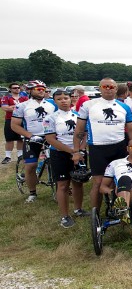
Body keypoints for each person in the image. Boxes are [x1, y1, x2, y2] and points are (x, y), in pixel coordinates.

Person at [72, 78, 132, 214]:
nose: (108, 89)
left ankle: (118, 207)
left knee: (119, 180)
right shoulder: (88, 105)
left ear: (116, 89)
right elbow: (79, 130)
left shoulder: (124, 107)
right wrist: (76, 151)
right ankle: (95, 213)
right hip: (98, 148)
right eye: (105, 86)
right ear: (100, 88)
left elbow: (131, 130)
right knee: (98, 183)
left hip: (119, 147)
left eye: (111, 87)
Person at [43, 89, 87, 226]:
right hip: (60, 153)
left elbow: (85, 134)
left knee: (78, 182)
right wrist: (72, 151)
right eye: (59, 99)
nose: (63, 101)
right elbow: (50, 139)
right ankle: (65, 216)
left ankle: (78, 209)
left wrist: (80, 150)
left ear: (71, 99)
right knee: (63, 185)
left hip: (79, 153)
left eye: (66, 98)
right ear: (55, 101)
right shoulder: (50, 118)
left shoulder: (78, 115)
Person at [11, 80, 58, 202]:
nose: (42, 91)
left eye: (43, 89)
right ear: (30, 90)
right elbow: (15, 125)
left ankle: (60, 189)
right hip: (32, 137)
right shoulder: (22, 106)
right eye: (38, 89)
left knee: (57, 162)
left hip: (50, 136)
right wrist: (30, 136)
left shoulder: (52, 104)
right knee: (31, 165)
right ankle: (32, 193)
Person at [2, 82, 27, 163]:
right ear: (10, 89)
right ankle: (8, 156)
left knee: (20, 138)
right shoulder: (6, 98)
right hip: (10, 119)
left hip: (22, 120)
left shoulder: (24, 98)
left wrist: (12, 107)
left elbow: (27, 108)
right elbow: (5, 108)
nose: (17, 89)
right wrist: (20, 107)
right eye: (14, 88)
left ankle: (20, 155)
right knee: (9, 139)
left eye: (18, 87)